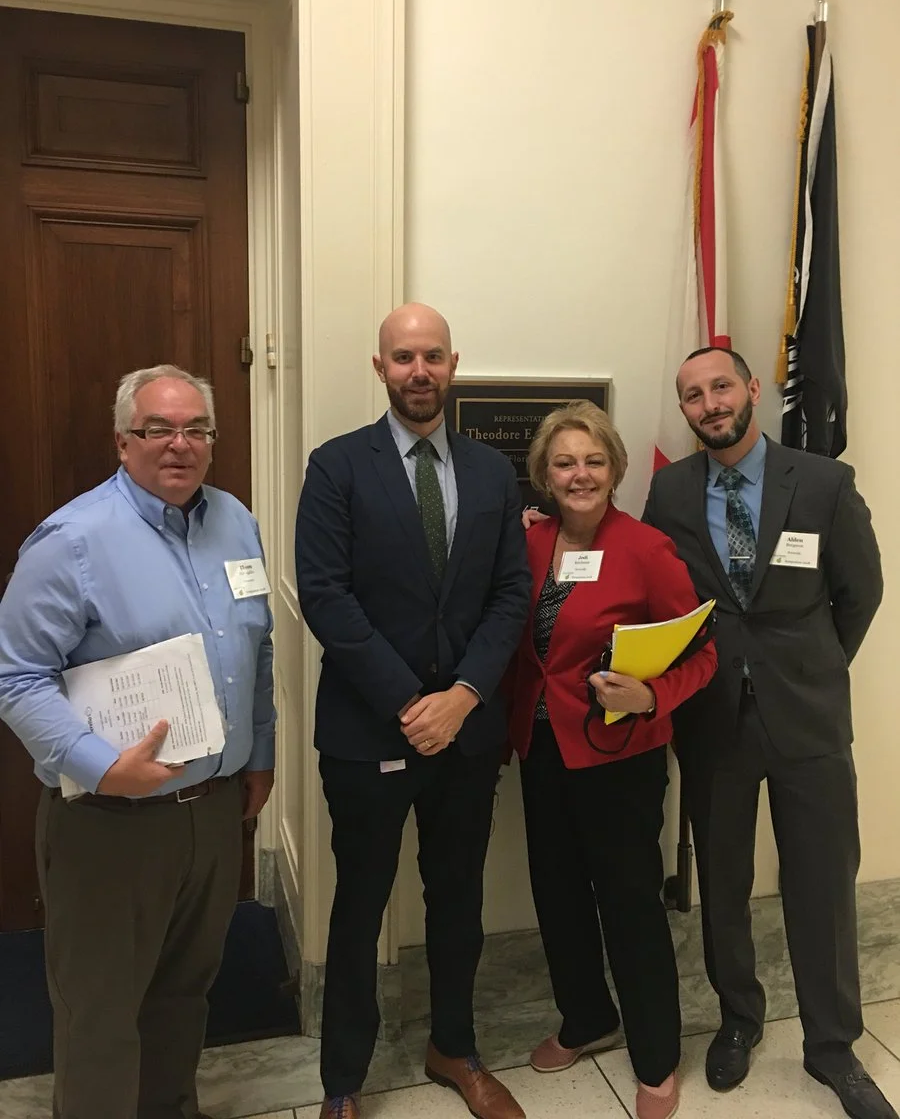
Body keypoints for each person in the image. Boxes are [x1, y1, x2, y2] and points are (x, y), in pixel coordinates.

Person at [0, 365, 276, 1119]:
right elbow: (17, 678)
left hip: (213, 809)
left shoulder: (236, 522)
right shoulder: (71, 541)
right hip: (108, 823)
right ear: (124, 441)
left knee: (184, 994)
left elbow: (256, 650)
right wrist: (99, 766)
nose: (179, 444)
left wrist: (259, 756)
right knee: (100, 1014)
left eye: (196, 429)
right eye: (159, 429)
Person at [642, 347, 893, 1119]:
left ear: (753, 389)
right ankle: (739, 1021)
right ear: (684, 410)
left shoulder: (822, 482)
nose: (710, 404)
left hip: (808, 715)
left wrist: (809, 667)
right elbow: (655, 589)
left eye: (721, 386)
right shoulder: (670, 490)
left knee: (822, 880)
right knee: (721, 881)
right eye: (693, 395)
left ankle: (832, 1044)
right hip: (711, 717)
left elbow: (861, 592)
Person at [295, 303, 531, 1119]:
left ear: (454, 364)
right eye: (403, 357)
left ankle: (453, 1048)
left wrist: (462, 697)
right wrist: (410, 702)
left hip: (466, 734)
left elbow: (511, 594)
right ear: (380, 367)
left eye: (433, 355)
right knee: (359, 906)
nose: (419, 371)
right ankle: (342, 1082)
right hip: (368, 732)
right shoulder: (336, 467)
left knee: (457, 898)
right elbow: (325, 597)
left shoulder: (493, 472)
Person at [509, 401, 716, 1119]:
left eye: (594, 461)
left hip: (619, 754)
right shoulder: (530, 542)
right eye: (565, 462)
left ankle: (657, 1058)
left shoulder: (647, 549)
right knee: (557, 893)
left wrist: (654, 695)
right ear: (544, 475)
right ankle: (587, 1018)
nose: (581, 474)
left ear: (616, 469)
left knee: (629, 906)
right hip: (541, 747)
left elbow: (702, 652)